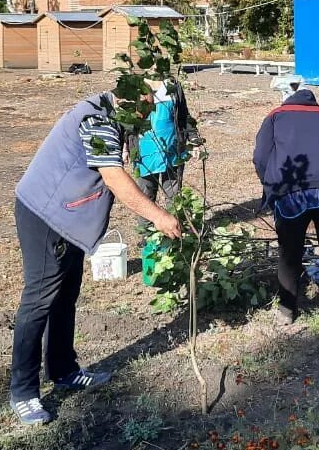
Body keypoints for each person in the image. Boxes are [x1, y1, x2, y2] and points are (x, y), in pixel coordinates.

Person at [11, 90, 183, 426]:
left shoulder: (110, 113)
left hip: (66, 215)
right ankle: (24, 393)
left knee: (66, 295)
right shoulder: (98, 119)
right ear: (136, 98)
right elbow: (114, 177)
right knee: (39, 300)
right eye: (148, 110)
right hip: (45, 215)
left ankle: (64, 370)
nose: (148, 118)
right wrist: (158, 216)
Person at [253, 84, 319, 323]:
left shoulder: (275, 116)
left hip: (291, 191)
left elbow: (260, 156)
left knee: (290, 250)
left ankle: (288, 310)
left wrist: (270, 185)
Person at [133, 79, 198, 206]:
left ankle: (174, 224)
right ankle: (146, 226)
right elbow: (128, 122)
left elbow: (183, 114)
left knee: (174, 196)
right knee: (146, 197)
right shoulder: (135, 85)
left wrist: (194, 139)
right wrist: (124, 147)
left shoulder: (172, 84)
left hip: (173, 148)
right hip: (145, 151)